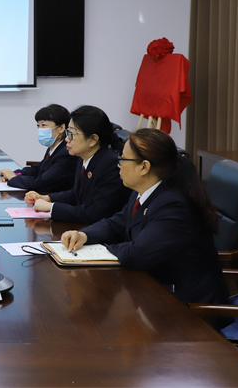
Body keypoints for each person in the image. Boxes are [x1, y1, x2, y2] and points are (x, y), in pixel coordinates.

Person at [61, 128, 229, 306]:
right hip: (155, 290)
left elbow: (137, 254)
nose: (118, 165)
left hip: (188, 307)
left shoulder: (174, 205)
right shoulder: (143, 191)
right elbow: (117, 223)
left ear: (144, 167)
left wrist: (104, 249)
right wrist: (84, 235)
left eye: (122, 159)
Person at [25, 105, 131, 224]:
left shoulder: (110, 165)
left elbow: (96, 213)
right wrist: (47, 198)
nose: (67, 139)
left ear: (92, 140)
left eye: (72, 134)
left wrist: (52, 207)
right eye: (68, 133)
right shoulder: (83, 158)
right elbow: (76, 194)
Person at [0, 104, 78, 192]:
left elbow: (40, 183)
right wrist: (14, 173)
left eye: (43, 125)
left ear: (61, 128)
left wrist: (13, 178)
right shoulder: (54, 148)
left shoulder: (67, 153)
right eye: (38, 126)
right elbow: (37, 169)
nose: (40, 129)